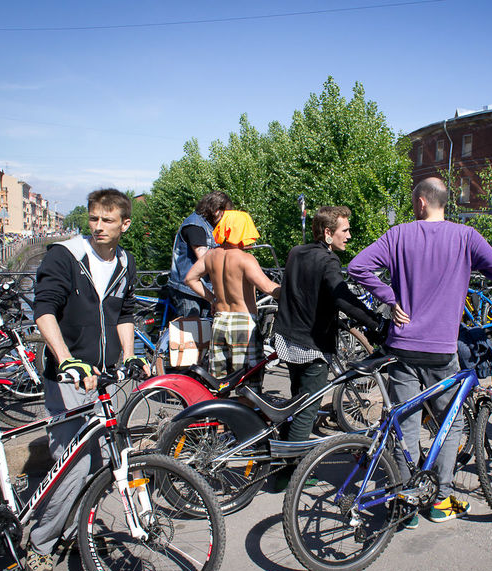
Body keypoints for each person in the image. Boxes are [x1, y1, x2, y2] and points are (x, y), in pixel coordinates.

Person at [349, 177, 492, 526]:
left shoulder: (399, 234)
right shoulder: (466, 237)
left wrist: (389, 297)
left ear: (423, 202)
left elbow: (357, 267)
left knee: (404, 427)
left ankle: (403, 504)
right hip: (442, 351)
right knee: (450, 422)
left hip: (402, 349)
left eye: (414, 201)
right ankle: (439, 498)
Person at [27, 189, 146, 571]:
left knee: (103, 461)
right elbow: (43, 309)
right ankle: (41, 544)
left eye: (107, 220)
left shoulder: (125, 261)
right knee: (73, 465)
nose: (97, 226)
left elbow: (124, 312)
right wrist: (66, 360)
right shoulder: (65, 255)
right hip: (69, 375)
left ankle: (78, 527)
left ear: (124, 225)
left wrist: (128, 355)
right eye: (93, 218)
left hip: (105, 376)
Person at [272, 206, 384, 490]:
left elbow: (300, 291)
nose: (349, 235)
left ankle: (280, 461)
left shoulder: (297, 252)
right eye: (344, 230)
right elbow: (341, 297)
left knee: (296, 401)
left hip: (288, 338)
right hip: (311, 345)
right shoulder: (328, 260)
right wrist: (376, 322)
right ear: (327, 232)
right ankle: (292, 475)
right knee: (307, 410)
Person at [186, 210, 280, 378]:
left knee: (220, 382)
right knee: (248, 382)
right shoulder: (245, 259)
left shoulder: (211, 255)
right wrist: (292, 292)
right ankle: (245, 406)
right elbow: (267, 287)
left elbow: (190, 279)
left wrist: (212, 299)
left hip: (220, 321)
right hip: (243, 323)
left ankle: (223, 404)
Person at [165, 191, 232, 318]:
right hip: (188, 290)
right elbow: (205, 258)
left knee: (205, 332)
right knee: (192, 332)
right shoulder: (195, 225)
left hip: (202, 288)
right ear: (217, 209)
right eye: (226, 212)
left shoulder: (209, 226)